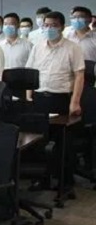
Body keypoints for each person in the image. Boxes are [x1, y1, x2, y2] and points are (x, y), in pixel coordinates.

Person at [26, 10, 85, 191]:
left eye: (53, 25)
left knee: (63, 143)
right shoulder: (37, 47)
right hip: (39, 98)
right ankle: (42, 179)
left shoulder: (73, 48)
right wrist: (28, 95)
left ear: (61, 27)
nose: (49, 29)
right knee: (39, 141)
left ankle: (64, 181)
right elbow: (31, 72)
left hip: (61, 99)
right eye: (46, 25)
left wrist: (75, 101)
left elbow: (79, 75)